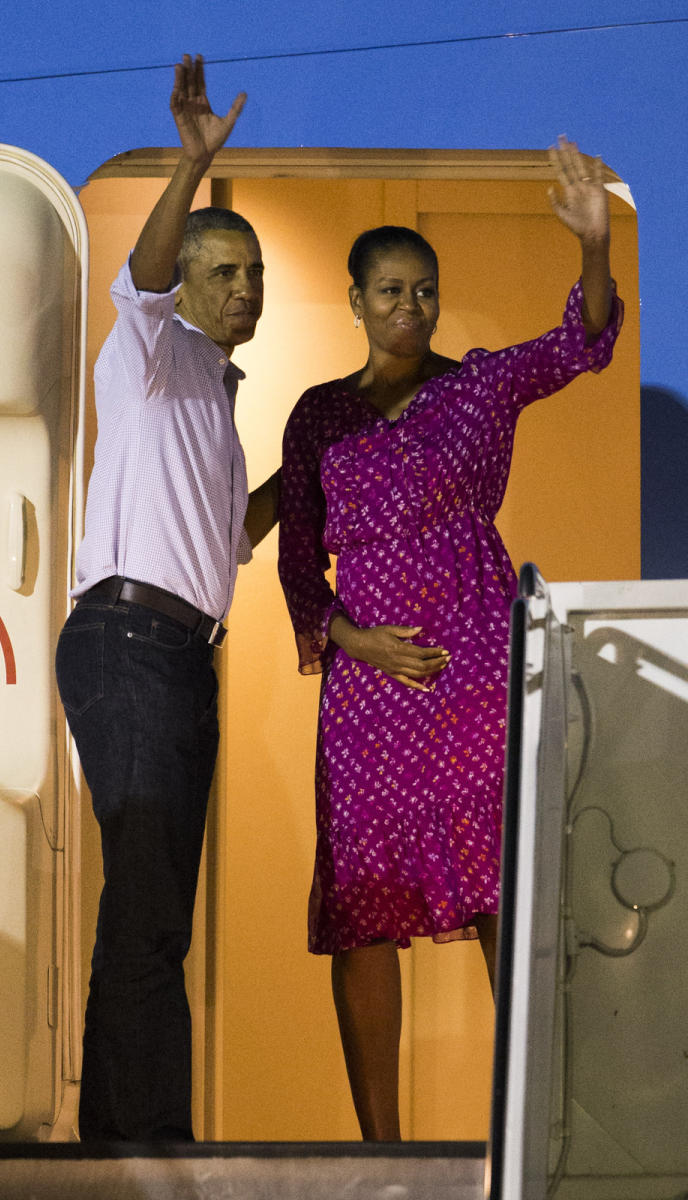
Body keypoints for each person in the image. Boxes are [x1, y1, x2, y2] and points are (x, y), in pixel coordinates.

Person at [277, 137, 622, 1141]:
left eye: (423, 291)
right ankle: (377, 1148)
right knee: (365, 902)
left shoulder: (476, 389)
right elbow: (301, 564)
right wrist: (353, 642)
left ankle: (533, 1124)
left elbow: (579, 343)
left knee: (496, 889)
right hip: (368, 695)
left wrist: (594, 249)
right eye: (389, 291)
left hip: (474, 676)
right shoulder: (319, 417)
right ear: (355, 300)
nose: (410, 307)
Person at [54, 54, 279, 1142]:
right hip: (128, 641)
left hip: (182, 653)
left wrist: (316, 462)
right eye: (225, 271)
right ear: (187, 284)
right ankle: (139, 1144)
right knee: (146, 914)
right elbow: (138, 275)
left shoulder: (218, 401)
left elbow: (231, 538)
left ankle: (129, 1133)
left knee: (153, 920)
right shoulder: (149, 350)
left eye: (256, 275)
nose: (245, 289)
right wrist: (192, 167)